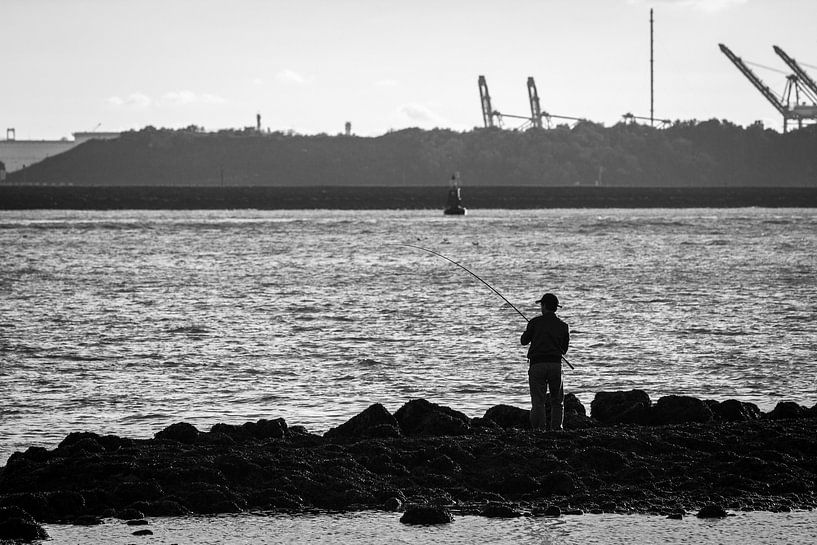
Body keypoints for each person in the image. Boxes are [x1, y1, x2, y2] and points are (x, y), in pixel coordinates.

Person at [521, 293, 570, 430]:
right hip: (555, 365)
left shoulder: (534, 322)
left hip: (537, 365)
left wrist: (530, 330)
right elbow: (564, 350)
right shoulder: (563, 326)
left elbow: (523, 341)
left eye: (541, 305)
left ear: (544, 306)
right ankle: (556, 429)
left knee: (538, 401)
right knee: (557, 401)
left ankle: (539, 430)